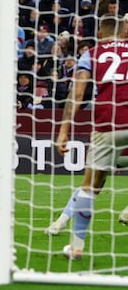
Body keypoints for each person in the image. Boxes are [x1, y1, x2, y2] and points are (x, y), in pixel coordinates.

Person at [44, 15, 128, 260]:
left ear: (100, 34)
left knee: (90, 187)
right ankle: (62, 222)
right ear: (123, 30)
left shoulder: (91, 53)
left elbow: (78, 93)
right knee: (97, 183)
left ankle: (76, 247)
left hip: (107, 124)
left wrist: (62, 131)